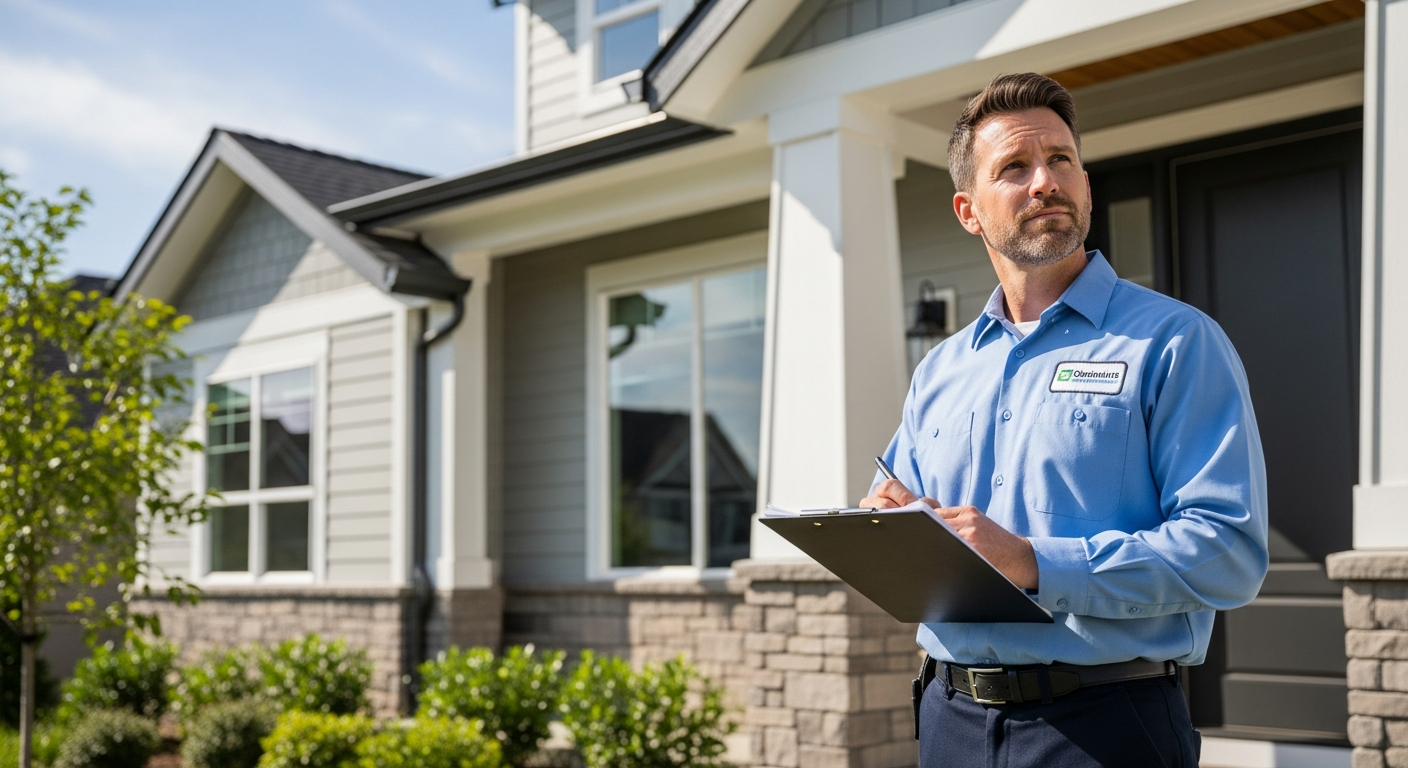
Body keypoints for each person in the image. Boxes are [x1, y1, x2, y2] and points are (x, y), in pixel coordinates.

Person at [860, 73, 1268, 767]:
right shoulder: (941, 370)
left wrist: (1036, 563)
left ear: (1084, 182)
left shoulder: (1174, 342)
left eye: (1062, 160)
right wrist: (883, 520)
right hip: (947, 720)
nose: (1045, 180)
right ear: (969, 210)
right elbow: (898, 501)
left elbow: (1227, 552)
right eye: (1015, 167)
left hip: (1106, 726)